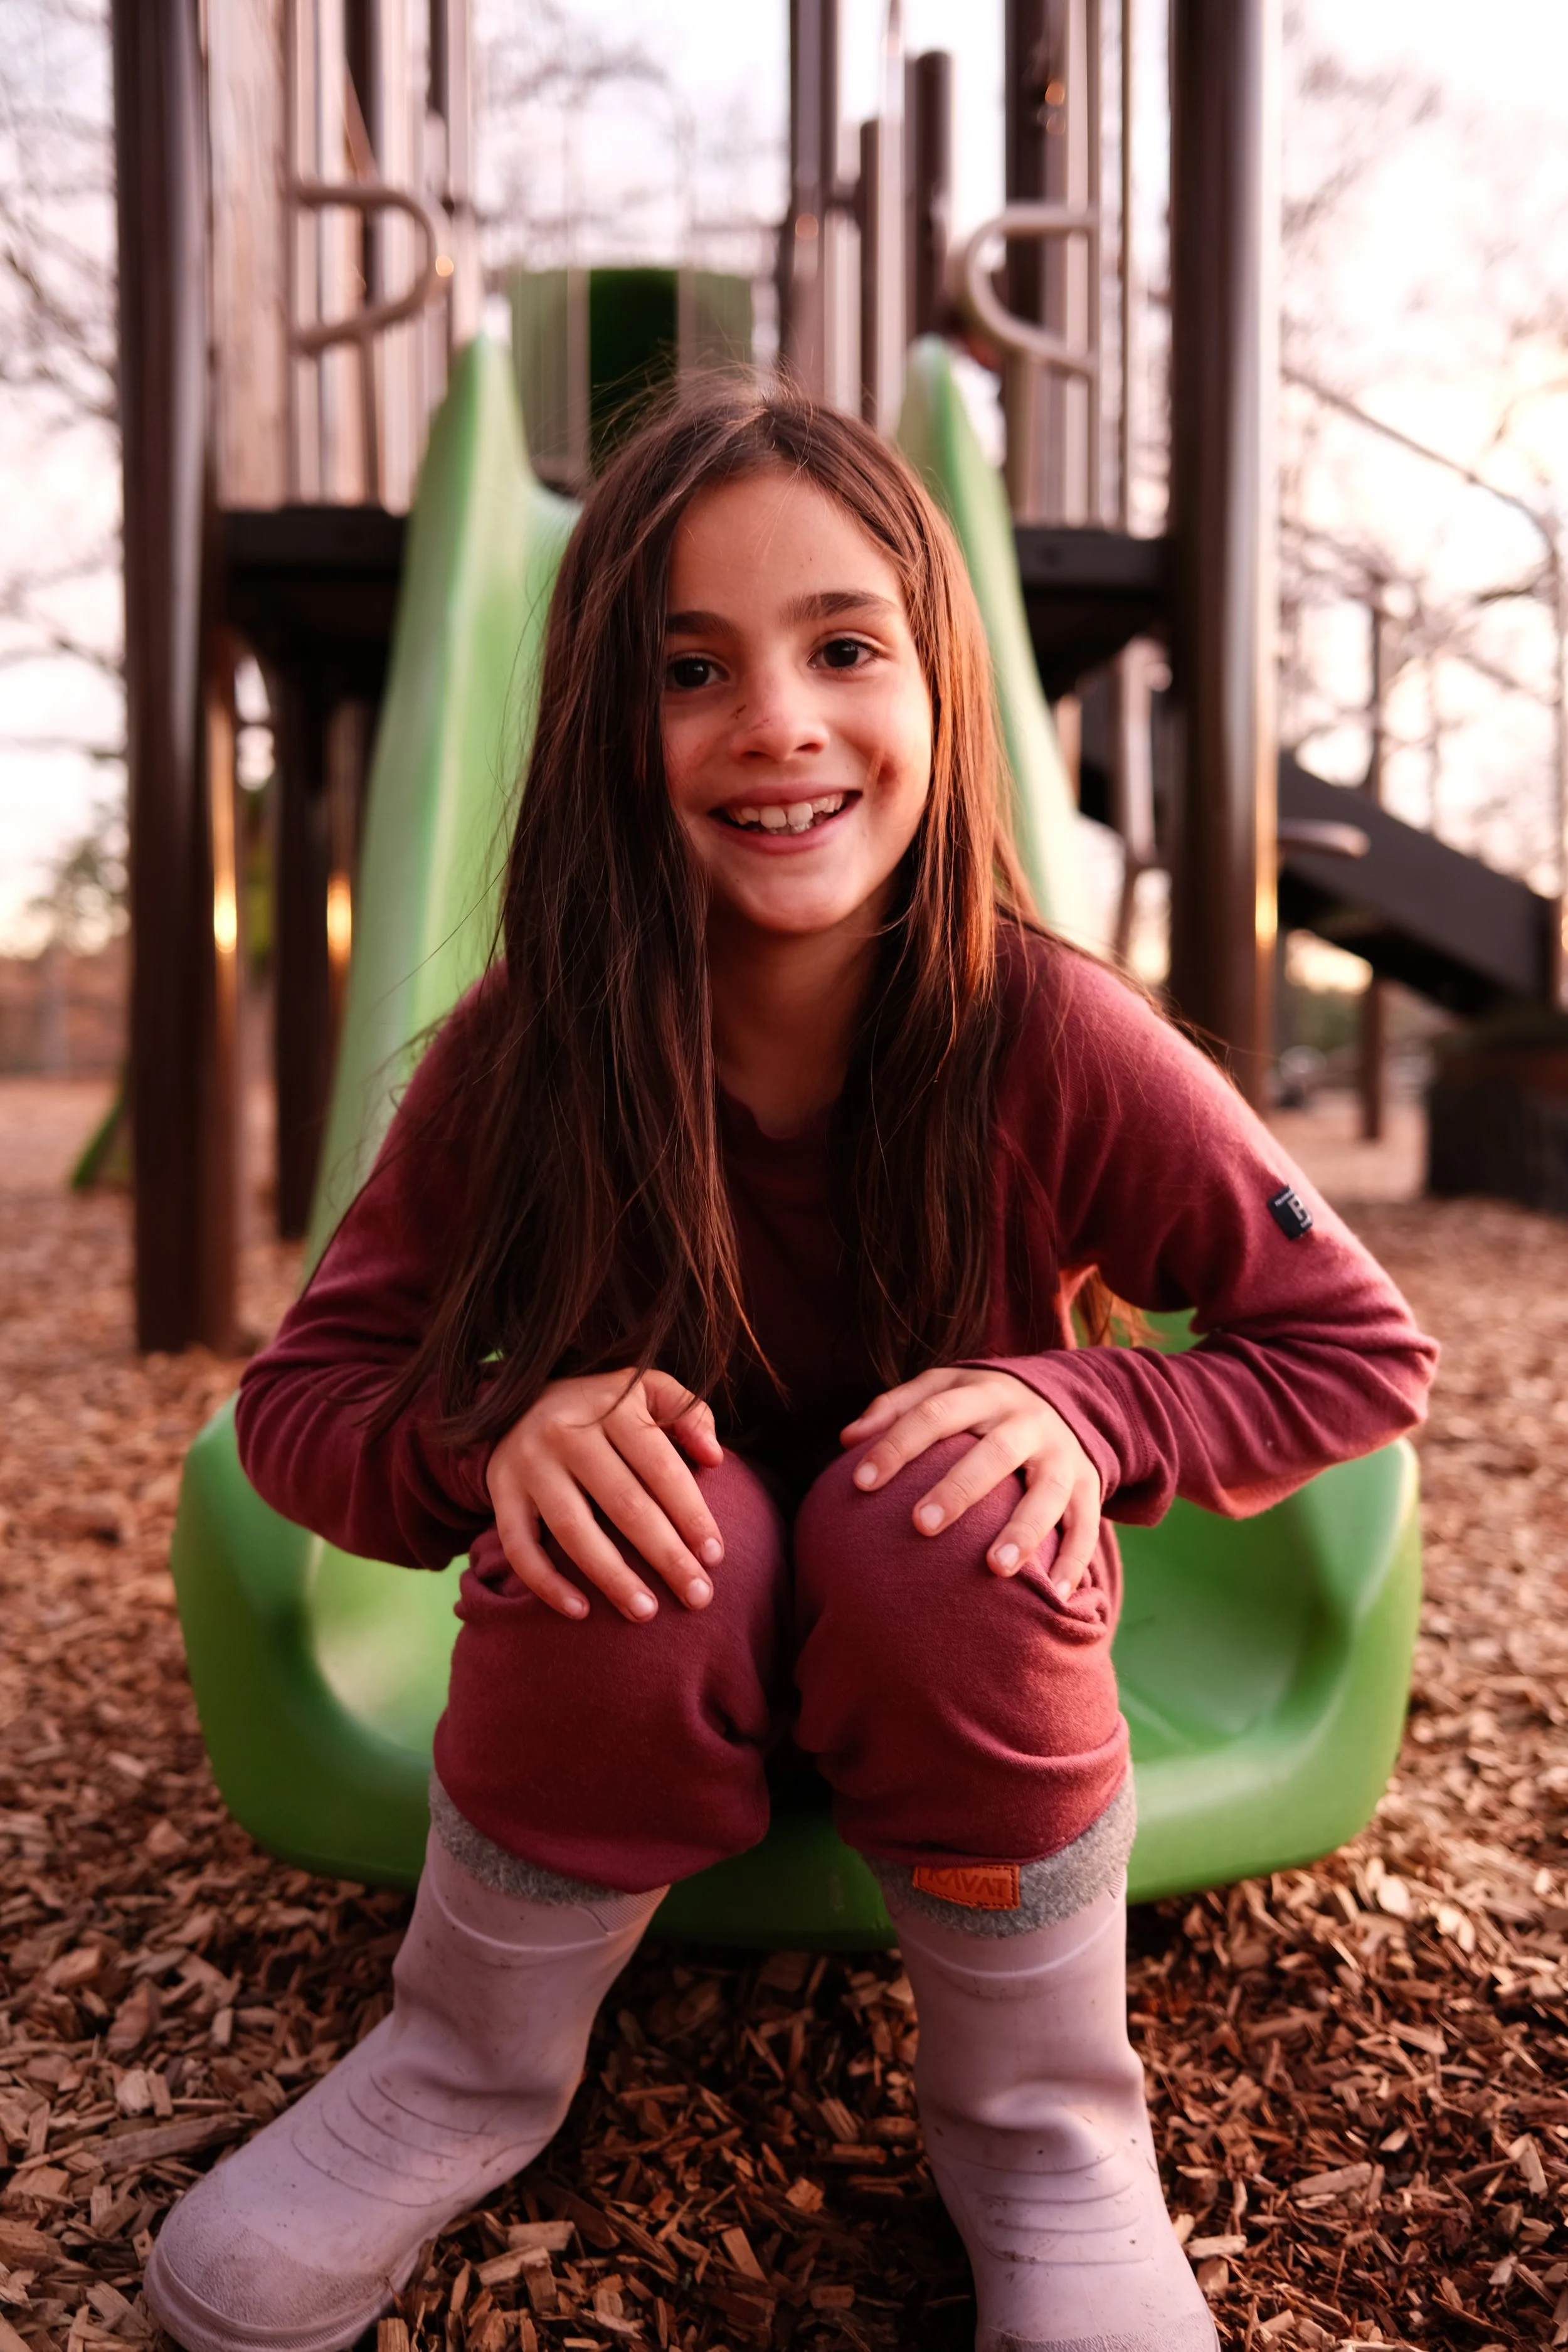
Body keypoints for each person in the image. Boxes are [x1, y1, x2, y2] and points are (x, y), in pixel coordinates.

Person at [144, 387, 1436, 2352]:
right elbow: (298, 1404)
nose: (778, 720)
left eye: (844, 647)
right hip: (636, 1652)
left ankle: (1038, 2123)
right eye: (689, 666)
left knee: (939, 1511)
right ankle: (465, 2063)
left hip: (956, 1653)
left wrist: (1098, 1406)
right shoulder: (523, 1061)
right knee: (635, 1516)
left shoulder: (1053, 1036)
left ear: (936, 688)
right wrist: (491, 1443)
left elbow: (1353, 1349)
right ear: (601, 726)